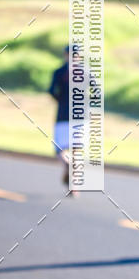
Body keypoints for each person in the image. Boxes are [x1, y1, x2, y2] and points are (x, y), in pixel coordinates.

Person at [48, 45, 77, 197]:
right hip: (80, 116)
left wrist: (61, 101)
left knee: (60, 149)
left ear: (65, 55)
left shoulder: (59, 72)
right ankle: (74, 186)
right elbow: (97, 93)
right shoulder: (86, 72)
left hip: (63, 116)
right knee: (76, 149)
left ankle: (67, 163)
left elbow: (52, 91)